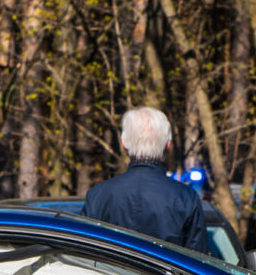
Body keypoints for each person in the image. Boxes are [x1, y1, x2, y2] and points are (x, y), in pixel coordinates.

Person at [81, 107, 208, 253]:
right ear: (168, 145)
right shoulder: (186, 198)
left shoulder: (97, 195)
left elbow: (83, 256)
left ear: (124, 144)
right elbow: (198, 262)